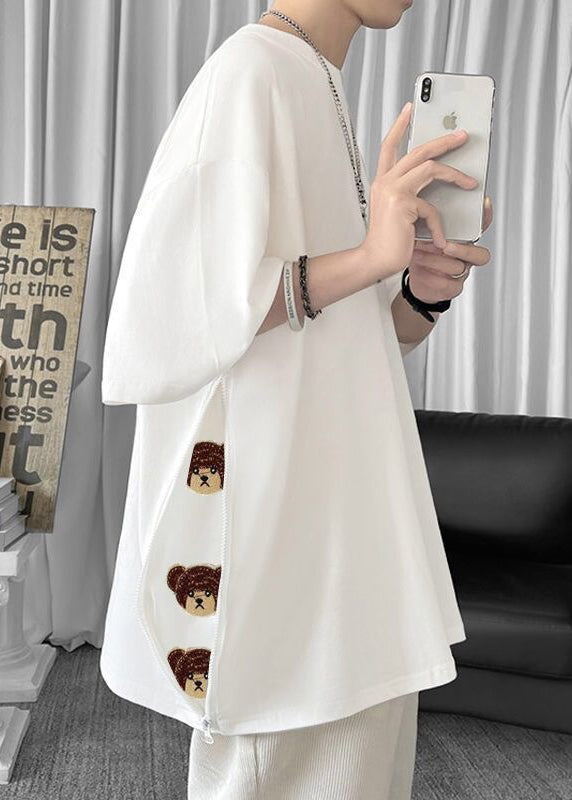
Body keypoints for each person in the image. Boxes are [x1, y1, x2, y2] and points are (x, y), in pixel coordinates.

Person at [99, 1, 493, 797]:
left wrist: (417, 292)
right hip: (288, 560)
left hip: (351, 547)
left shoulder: (314, 78)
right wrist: (366, 258)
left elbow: (340, 350)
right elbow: (166, 322)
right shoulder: (250, 74)